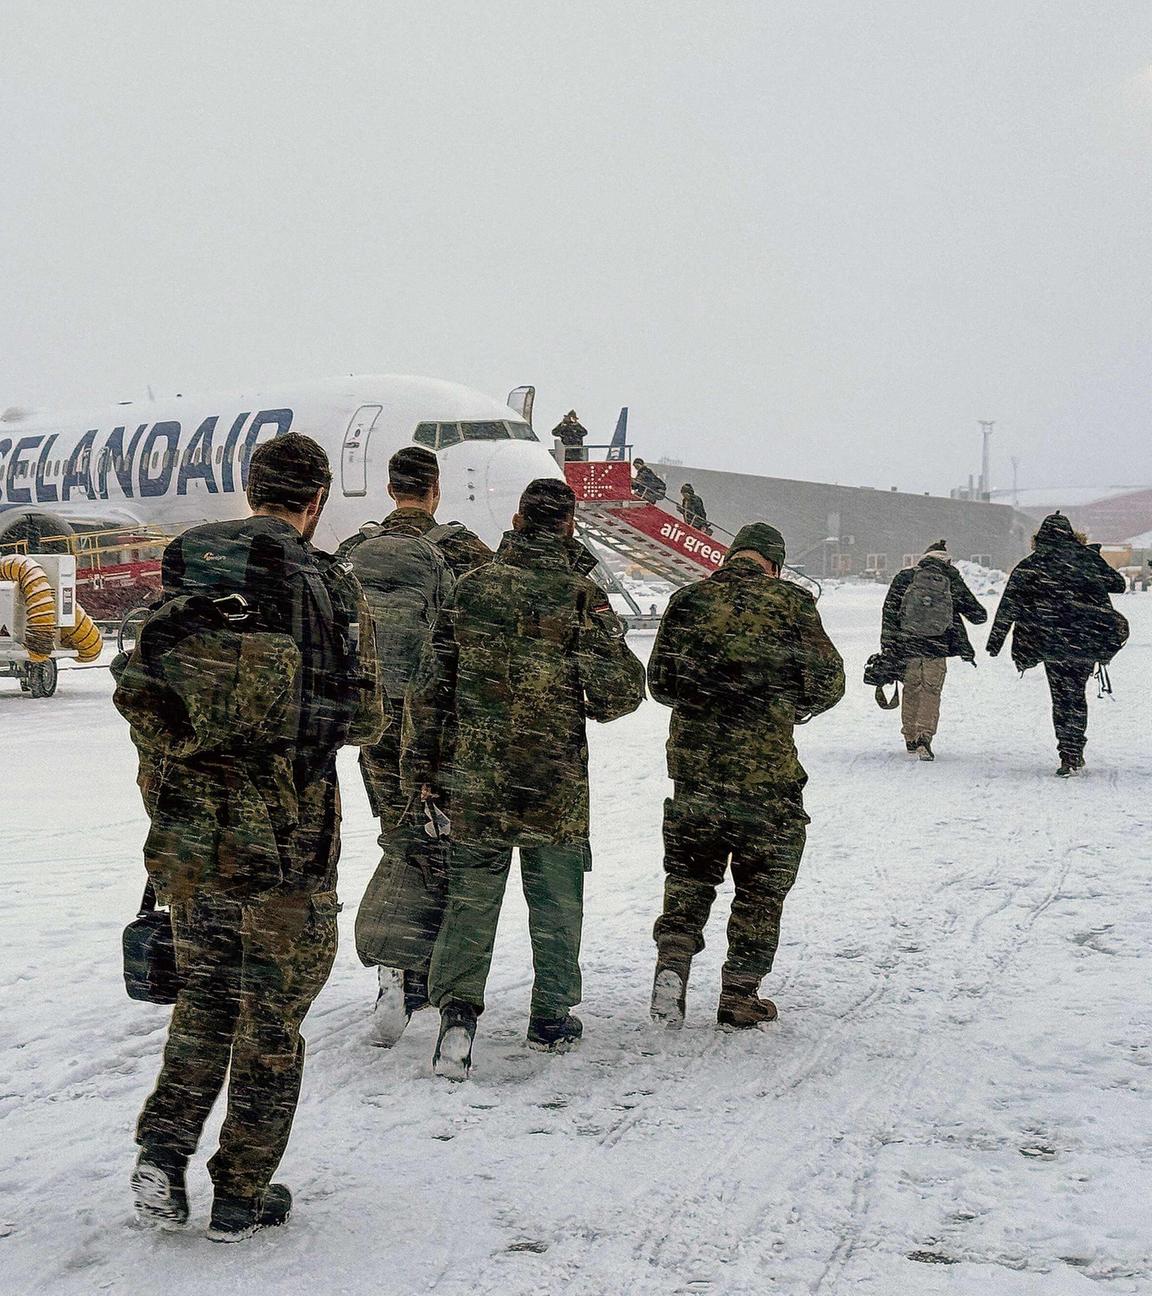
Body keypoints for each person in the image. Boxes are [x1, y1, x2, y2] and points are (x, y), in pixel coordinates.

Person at [113, 433, 386, 1241]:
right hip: (288, 837)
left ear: (249, 486)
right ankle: (240, 1191)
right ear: (317, 501)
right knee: (270, 1019)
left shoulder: (188, 572)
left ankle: (161, 1156)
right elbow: (364, 717)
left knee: (203, 999)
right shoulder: (327, 584)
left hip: (194, 828)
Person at [403, 478, 646, 1079]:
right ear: (567, 525)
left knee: (469, 904)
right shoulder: (580, 595)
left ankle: (457, 1021)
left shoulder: (472, 589)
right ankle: (550, 1017)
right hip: (553, 783)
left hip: (475, 779)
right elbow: (619, 694)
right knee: (558, 903)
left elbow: (429, 687)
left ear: (515, 518)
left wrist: (423, 771)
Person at [646, 523, 844, 1031]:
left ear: (732, 556)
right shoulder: (792, 603)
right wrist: (784, 708)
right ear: (773, 564)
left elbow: (660, 683)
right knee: (761, 886)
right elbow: (829, 681)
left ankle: (672, 965)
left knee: (689, 877)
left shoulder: (687, 601)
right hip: (766, 775)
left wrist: (704, 701)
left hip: (696, 774)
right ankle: (739, 993)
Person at [338, 446, 493, 1046]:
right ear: (435, 490)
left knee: (399, 836)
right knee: (445, 843)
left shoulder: (355, 552)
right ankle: (428, 974)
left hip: (374, 723)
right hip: (439, 730)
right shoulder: (461, 551)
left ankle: (392, 973)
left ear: (390, 489)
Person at [986, 511, 1127, 776]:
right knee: (1076, 695)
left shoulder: (1032, 564)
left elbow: (1009, 605)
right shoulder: (1086, 560)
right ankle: (1075, 748)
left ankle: (1067, 753)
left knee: (1061, 697)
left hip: (1050, 642)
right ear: (1072, 535)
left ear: (1039, 537)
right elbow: (1118, 585)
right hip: (1085, 640)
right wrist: (1090, 565)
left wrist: (996, 641)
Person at [880, 540, 987, 761]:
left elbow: (889, 612)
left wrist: (888, 645)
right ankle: (924, 737)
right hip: (937, 646)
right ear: (947, 560)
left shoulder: (905, 578)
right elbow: (978, 615)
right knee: (931, 690)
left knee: (911, 688)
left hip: (907, 644)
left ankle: (909, 737)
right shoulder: (950, 579)